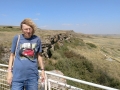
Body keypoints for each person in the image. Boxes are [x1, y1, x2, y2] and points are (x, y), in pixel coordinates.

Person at [7, 18, 45, 90]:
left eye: (30, 29)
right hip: (17, 77)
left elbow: (39, 56)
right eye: (26, 29)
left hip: (32, 78)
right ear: (22, 29)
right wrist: (9, 72)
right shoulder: (17, 38)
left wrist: (42, 70)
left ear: (33, 29)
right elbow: (12, 55)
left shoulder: (37, 39)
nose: (28, 31)